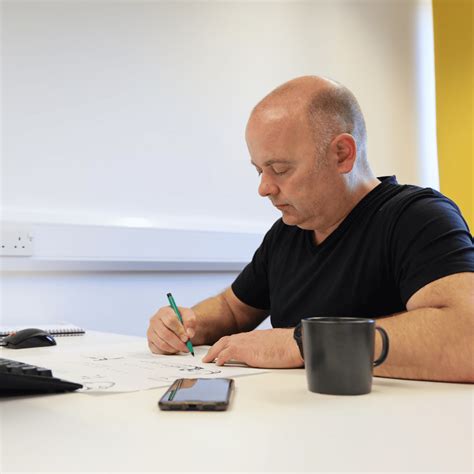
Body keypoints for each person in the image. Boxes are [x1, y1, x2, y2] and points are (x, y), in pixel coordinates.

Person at [147, 76, 474, 382]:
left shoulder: (418, 218)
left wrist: (301, 343)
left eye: (279, 169)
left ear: (342, 154)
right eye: (259, 170)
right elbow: (232, 309)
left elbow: (466, 337)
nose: (264, 188)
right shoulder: (286, 233)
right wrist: (188, 323)